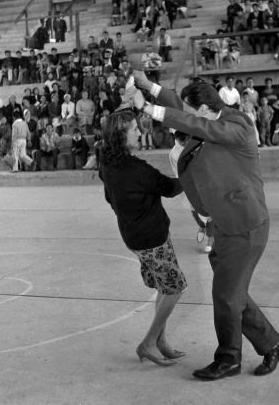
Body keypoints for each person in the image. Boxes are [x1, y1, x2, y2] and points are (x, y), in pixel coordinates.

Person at [132, 70, 279, 381]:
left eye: (192, 111)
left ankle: (229, 358)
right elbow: (185, 110)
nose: (186, 115)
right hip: (223, 224)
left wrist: (148, 108)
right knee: (233, 293)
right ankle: (274, 343)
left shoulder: (238, 125)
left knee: (227, 295)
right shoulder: (206, 116)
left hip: (244, 223)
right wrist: (149, 86)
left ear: (204, 109)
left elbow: (198, 124)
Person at [99, 109, 186, 366]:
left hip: (133, 236)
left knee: (163, 285)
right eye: (134, 129)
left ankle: (161, 341)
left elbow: (110, 198)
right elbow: (170, 188)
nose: (140, 132)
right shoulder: (137, 169)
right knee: (175, 288)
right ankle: (148, 342)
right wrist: (191, 173)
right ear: (120, 135)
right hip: (152, 238)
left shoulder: (108, 164)